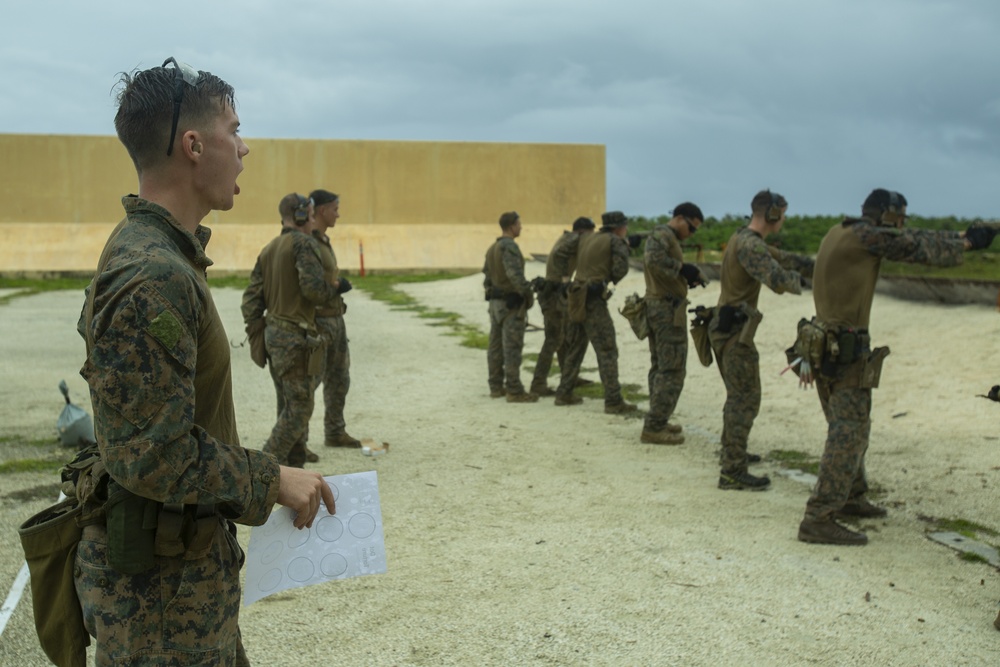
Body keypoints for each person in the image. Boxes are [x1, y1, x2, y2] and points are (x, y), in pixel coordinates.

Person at [75, 57, 335, 665]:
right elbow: (151, 452)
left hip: (176, 579)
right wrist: (272, 479)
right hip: (161, 603)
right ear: (193, 145)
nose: (245, 148)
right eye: (234, 132)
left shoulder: (163, 254)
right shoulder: (152, 273)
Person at [797, 189, 996, 546]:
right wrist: (967, 243)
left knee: (852, 426)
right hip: (843, 351)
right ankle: (819, 517)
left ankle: (852, 498)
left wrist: (962, 237)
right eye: (900, 217)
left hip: (824, 346)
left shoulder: (841, 231)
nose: (903, 223)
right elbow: (914, 247)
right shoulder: (866, 235)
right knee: (848, 433)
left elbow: (909, 237)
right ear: (888, 215)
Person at [709, 190, 813, 490]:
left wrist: (815, 266)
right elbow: (777, 279)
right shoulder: (751, 245)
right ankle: (732, 470)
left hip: (727, 328)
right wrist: (802, 281)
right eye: (782, 213)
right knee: (745, 398)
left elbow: (782, 257)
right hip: (734, 334)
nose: (783, 219)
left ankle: (733, 452)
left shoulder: (743, 238)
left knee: (737, 396)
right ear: (771, 214)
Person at [242, 193, 343, 468]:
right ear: (300, 216)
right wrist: (335, 288)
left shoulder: (270, 247)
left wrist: (258, 332)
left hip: (274, 335)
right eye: (310, 215)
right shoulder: (303, 243)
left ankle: (293, 467)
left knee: (288, 403)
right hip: (295, 338)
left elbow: (251, 299)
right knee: (300, 408)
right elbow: (312, 290)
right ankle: (262, 468)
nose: (313, 219)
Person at [554, 211, 637, 414]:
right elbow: (621, 269)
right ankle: (613, 400)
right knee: (607, 350)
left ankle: (564, 392)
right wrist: (607, 277)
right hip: (592, 300)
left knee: (575, 346)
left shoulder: (588, 238)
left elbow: (560, 253)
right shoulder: (615, 241)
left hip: (575, 295)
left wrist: (566, 278)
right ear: (619, 227)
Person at [641, 202, 707, 445]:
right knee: (672, 370)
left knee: (661, 367)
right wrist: (682, 269)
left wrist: (685, 277)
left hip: (664, 306)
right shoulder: (661, 235)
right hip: (665, 310)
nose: (691, 234)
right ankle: (654, 426)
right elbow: (654, 261)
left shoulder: (666, 237)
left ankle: (658, 417)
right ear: (679, 218)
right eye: (691, 228)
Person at [308, 188, 361, 448]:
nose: (338, 214)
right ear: (322, 210)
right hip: (319, 322)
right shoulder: (308, 241)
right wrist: (337, 287)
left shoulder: (324, 240)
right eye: (335, 209)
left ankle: (335, 431)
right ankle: (297, 441)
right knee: (310, 381)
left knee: (340, 378)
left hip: (335, 319)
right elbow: (311, 285)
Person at [529, 216, 596, 396]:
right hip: (554, 295)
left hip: (554, 293)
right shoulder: (573, 239)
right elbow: (563, 254)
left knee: (563, 338)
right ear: (583, 231)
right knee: (553, 340)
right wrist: (566, 278)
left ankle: (569, 377)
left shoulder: (568, 238)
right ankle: (538, 383)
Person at [483, 211, 538, 402]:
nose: (521, 227)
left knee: (495, 347)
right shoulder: (510, 247)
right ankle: (514, 390)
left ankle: (496, 386)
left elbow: (487, 278)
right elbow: (515, 276)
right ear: (511, 226)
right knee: (512, 347)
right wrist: (527, 294)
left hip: (496, 304)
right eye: (519, 224)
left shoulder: (493, 248)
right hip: (510, 304)